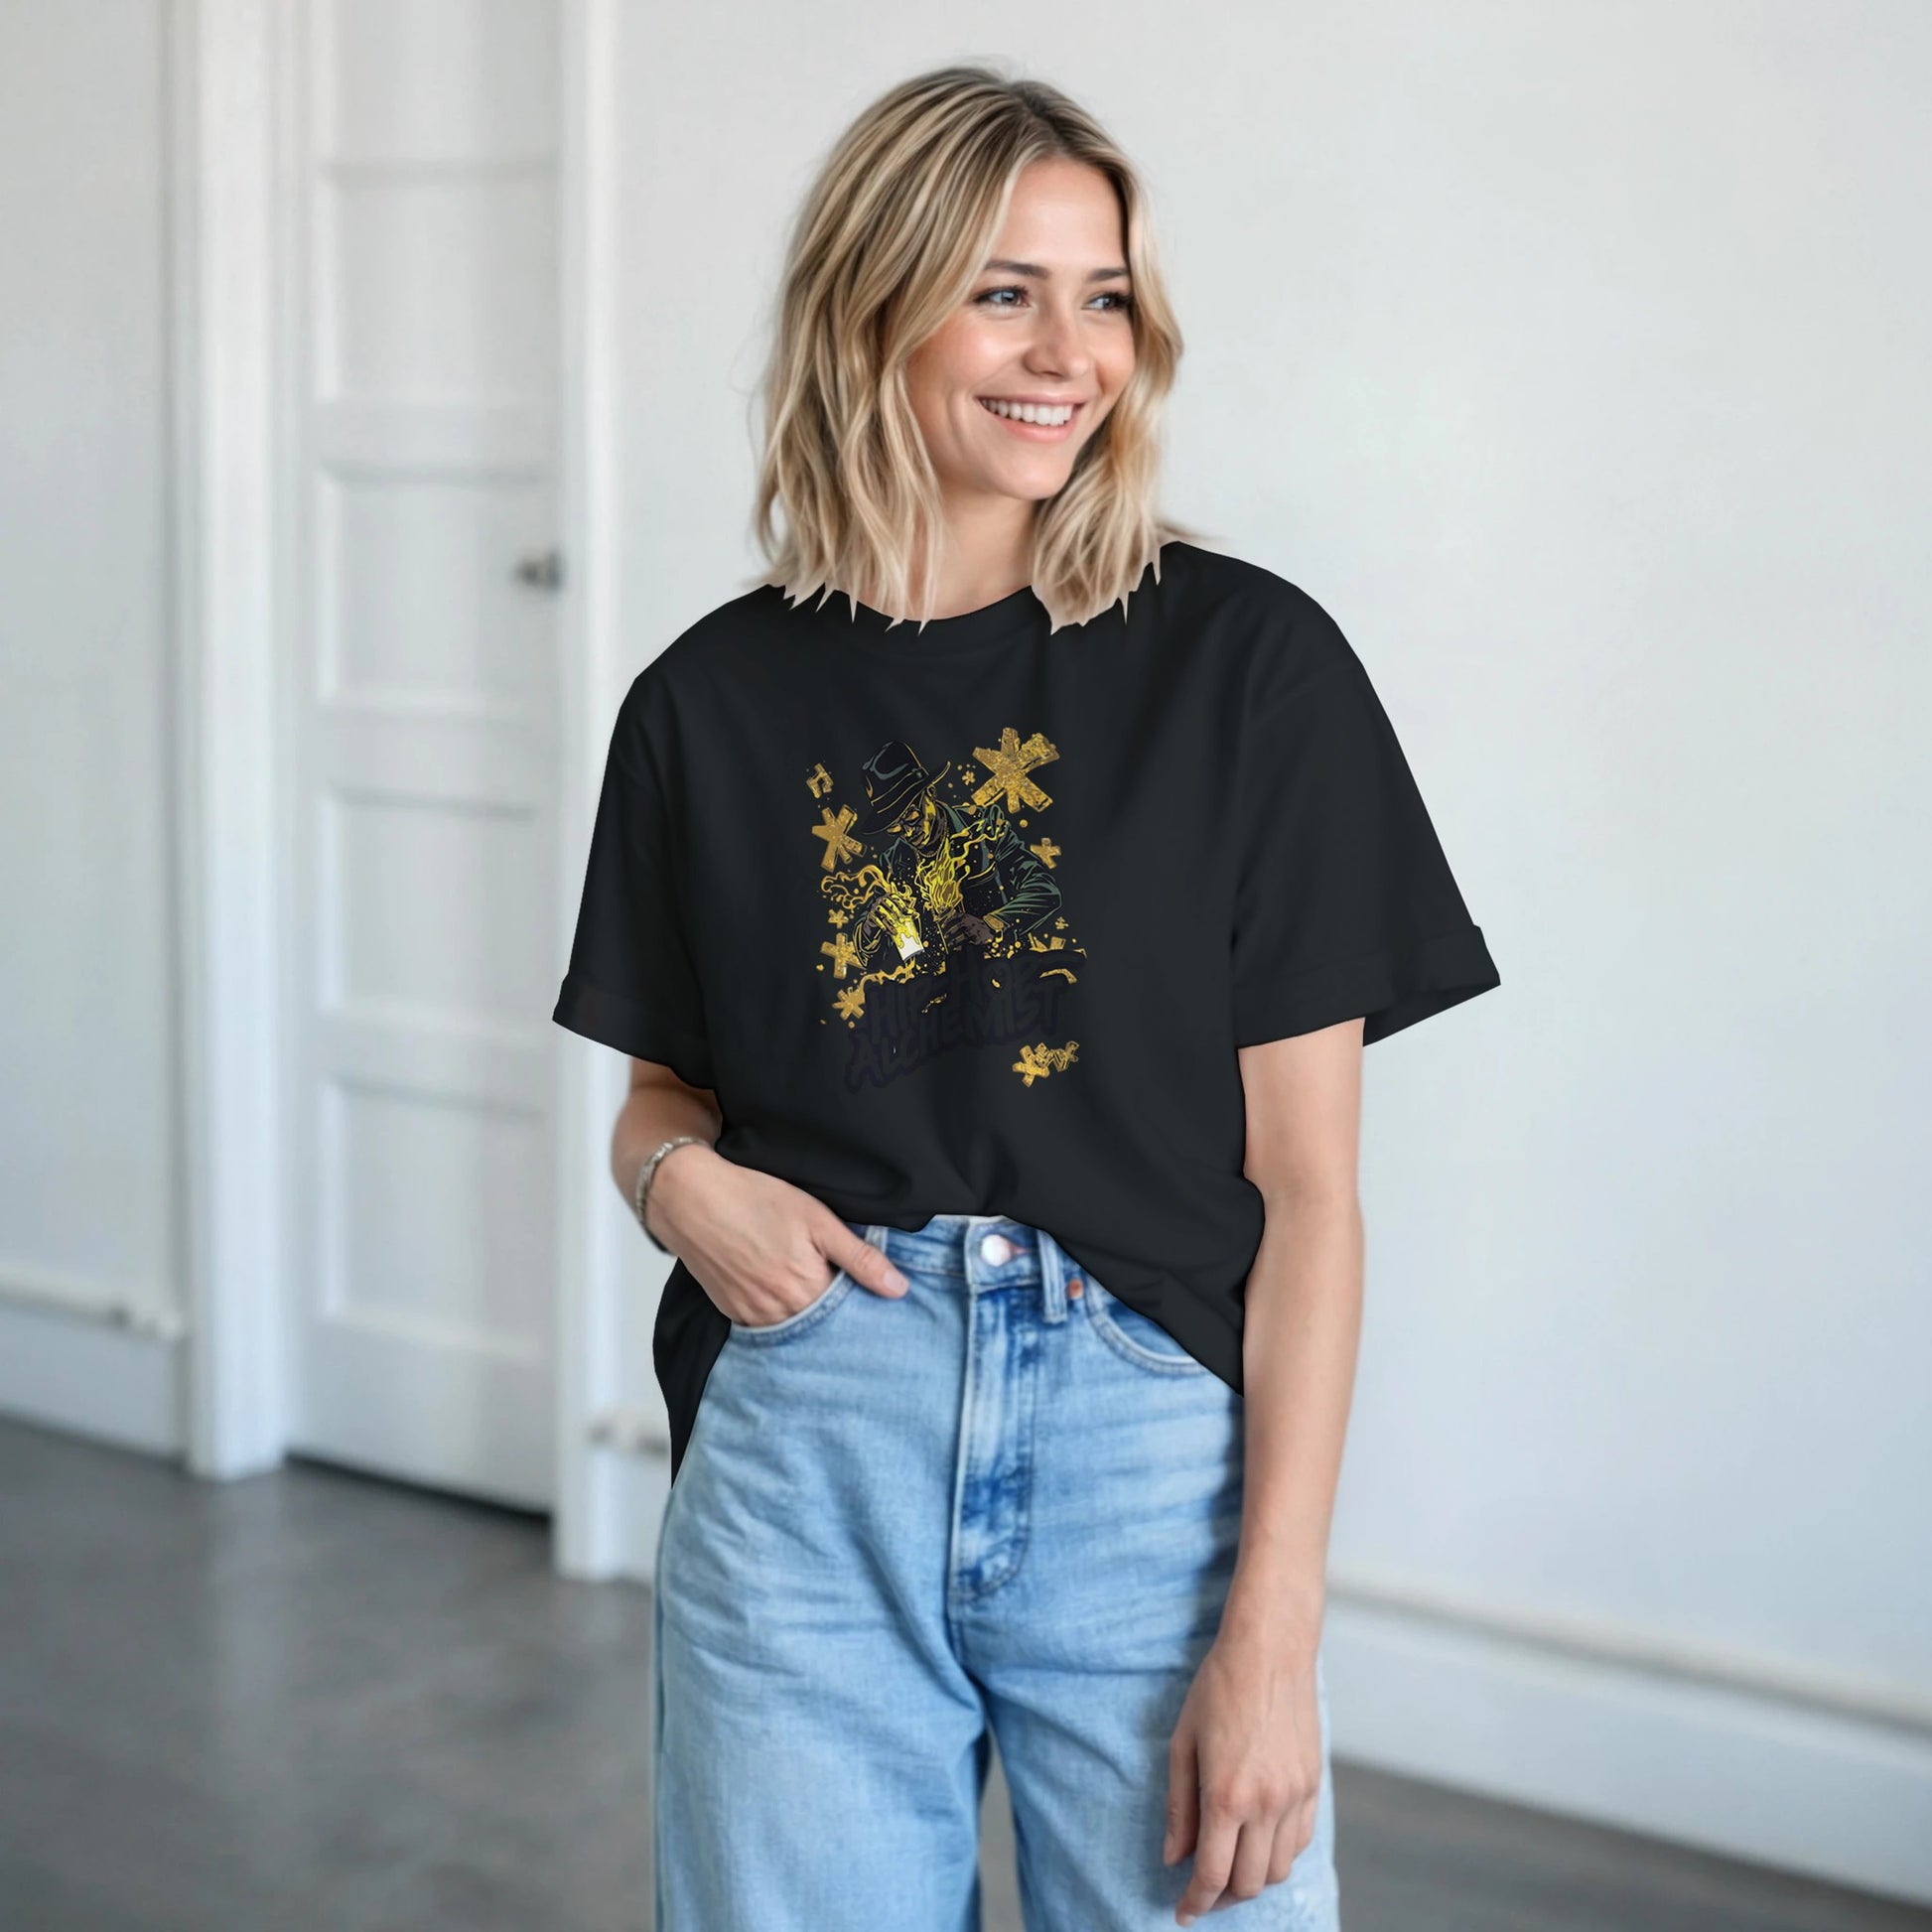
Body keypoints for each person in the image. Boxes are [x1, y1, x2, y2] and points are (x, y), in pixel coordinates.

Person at [552, 63, 1500, 1932]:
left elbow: (1306, 1191)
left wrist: (1274, 1632)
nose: (1068, 349)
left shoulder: (1248, 671)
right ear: (871, 303)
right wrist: (673, 1184)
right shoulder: (705, 705)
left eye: (1106, 295)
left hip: (1147, 1446)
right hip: (813, 1429)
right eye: (1004, 289)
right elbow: (663, 1096)